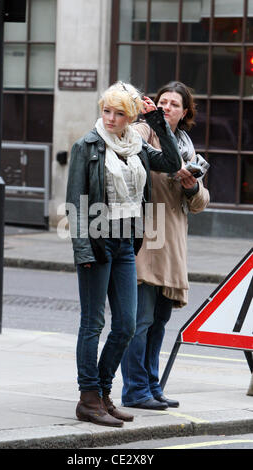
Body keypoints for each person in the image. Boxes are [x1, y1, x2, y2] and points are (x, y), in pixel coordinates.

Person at [66, 81, 182, 427]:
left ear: (131, 117)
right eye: (107, 111)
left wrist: (158, 121)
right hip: (98, 242)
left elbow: (172, 161)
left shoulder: (138, 146)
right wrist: (83, 249)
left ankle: (102, 393)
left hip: (127, 243)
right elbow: (76, 203)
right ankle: (89, 398)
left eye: (120, 113)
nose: (112, 118)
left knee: (127, 325)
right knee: (93, 323)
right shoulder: (86, 146)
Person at [121, 81, 210, 410]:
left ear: (185, 111)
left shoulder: (186, 146)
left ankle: (152, 385)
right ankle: (134, 390)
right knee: (140, 321)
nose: (167, 107)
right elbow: (132, 150)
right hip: (146, 237)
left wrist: (191, 187)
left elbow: (202, 202)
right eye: (163, 102)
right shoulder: (144, 132)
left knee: (158, 321)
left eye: (174, 104)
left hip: (172, 241)